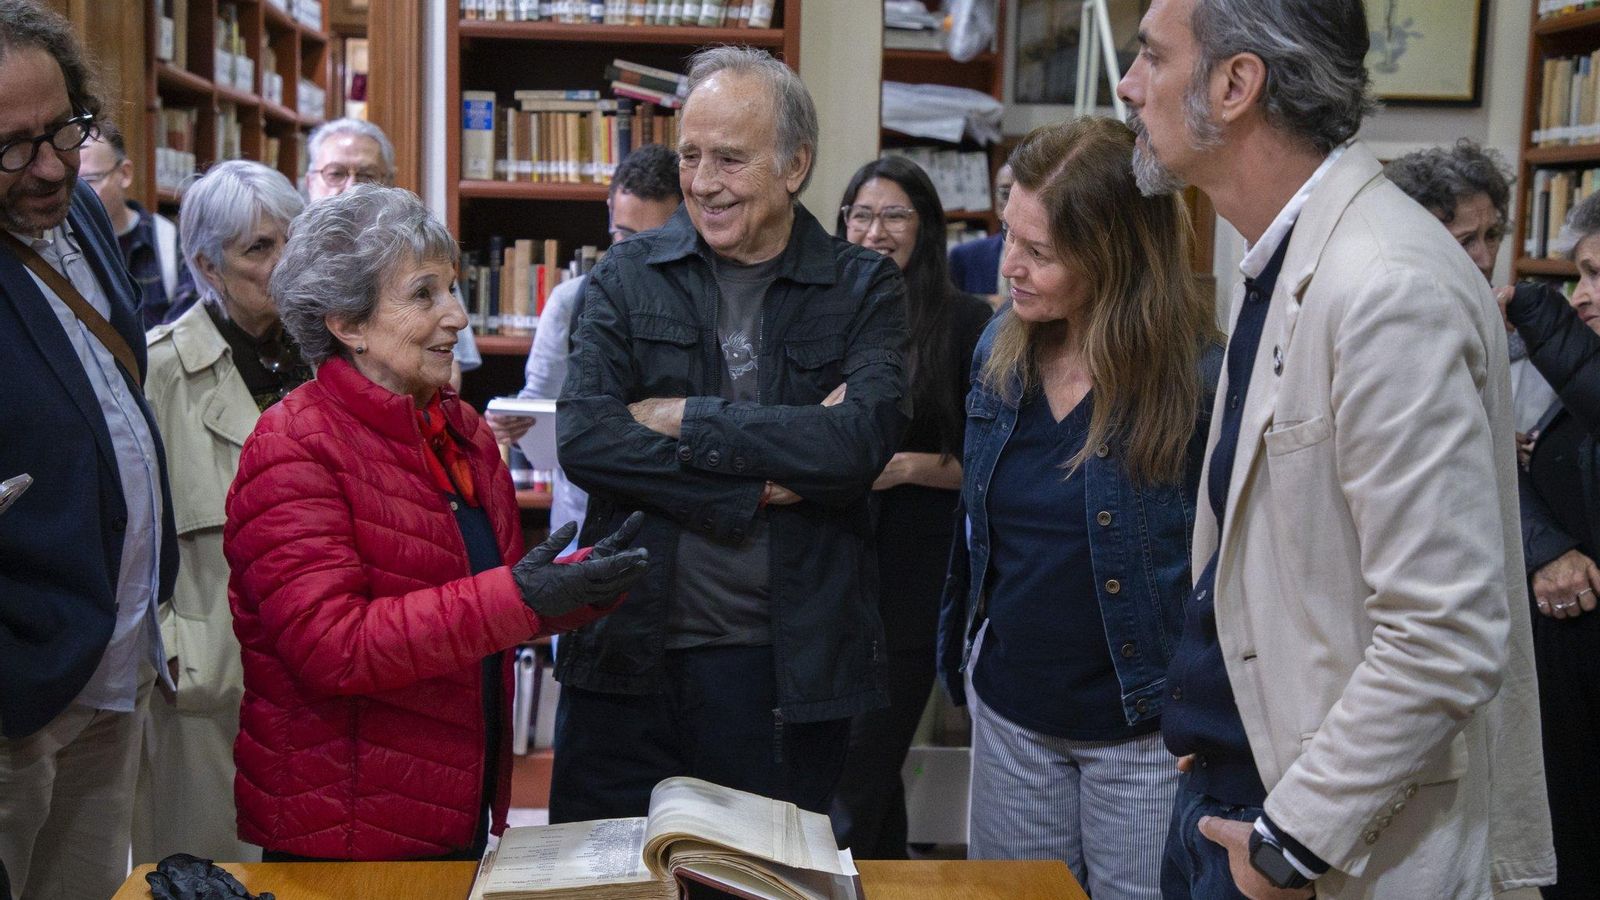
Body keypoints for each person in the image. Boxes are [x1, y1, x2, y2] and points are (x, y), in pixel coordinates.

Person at [1117, 0, 1553, 896]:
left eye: (1152, 58)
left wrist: (1288, 841)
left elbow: (1445, 634)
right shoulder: (1276, 255)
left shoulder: (1385, 282)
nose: (1128, 87)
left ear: (1236, 86)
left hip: (1311, 835)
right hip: (1230, 789)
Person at [223, 184, 649, 861]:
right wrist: (519, 598)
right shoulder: (293, 445)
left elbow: (481, 606)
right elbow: (332, 647)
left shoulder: (463, 433)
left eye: (452, 289)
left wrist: (573, 590)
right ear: (347, 323)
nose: (456, 316)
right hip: (348, 830)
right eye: (424, 295)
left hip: (452, 807)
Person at [553, 46, 910, 823]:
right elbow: (585, 441)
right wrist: (760, 483)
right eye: (690, 154)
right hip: (623, 662)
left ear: (795, 164)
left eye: (730, 158)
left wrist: (684, 415)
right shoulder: (625, 277)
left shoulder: (863, 288)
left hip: (781, 679)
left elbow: (853, 449)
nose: (703, 182)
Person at [937, 118, 1218, 898]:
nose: (1009, 266)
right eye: (1007, 236)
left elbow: (1232, 570)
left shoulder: (1197, 379)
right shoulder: (1000, 349)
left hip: (1144, 733)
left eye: (1041, 252)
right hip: (1013, 716)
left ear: (1114, 257)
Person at [0, 2, 178, 897]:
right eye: (12, 146)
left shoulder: (84, 219)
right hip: (21, 692)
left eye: (63, 129)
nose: (48, 167)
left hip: (113, 664)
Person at [130, 160, 308, 866]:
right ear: (207, 263)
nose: (284, 264)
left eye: (293, 241)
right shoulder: (157, 371)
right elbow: (129, 537)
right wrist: (170, 645)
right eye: (260, 249)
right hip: (209, 682)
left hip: (324, 672)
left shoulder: (336, 357)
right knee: (206, 872)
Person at [827, 155, 991, 860]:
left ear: (925, 227)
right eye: (861, 215)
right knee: (858, 770)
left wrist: (905, 468)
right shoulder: (821, 314)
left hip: (914, 576)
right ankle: (889, 876)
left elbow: (987, 464)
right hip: (831, 567)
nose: (875, 230)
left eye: (894, 215)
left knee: (856, 778)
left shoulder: (962, 321)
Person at [489, 143, 684, 546]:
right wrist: (514, 422)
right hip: (583, 518)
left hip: (674, 514)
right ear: (610, 215)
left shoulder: (704, 305)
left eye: (655, 241)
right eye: (624, 237)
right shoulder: (570, 300)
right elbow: (538, 400)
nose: (637, 257)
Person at [1498, 191, 1600, 900]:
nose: (1582, 295)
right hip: (1568, 654)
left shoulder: (1566, 350)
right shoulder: (1564, 364)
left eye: (1597, 274)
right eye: (1578, 275)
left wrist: (1538, 313)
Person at [1385, 141, 1558, 437]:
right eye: (1465, 242)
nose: (1487, 259)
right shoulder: (1387, 327)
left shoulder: (1522, 334)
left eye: (1491, 235)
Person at [303, 116, 483, 386]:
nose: (351, 187)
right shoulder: (287, 261)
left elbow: (447, 373)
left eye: (366, 176)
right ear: (310, 182)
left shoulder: (419, 259)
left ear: (389, 182)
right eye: (336, 174)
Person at [78, 122, 193, 327]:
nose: (78, 195)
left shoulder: (170, 243)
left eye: (90, 180)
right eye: (73, 184)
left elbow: (186, 331)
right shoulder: (65, 248)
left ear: (125, 174)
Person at [949, 162, 1013, 306]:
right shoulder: (963, 256)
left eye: (1023, 193)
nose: (1013, 203)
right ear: (994, 198)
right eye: (1005, 194)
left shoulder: (1053, 255)